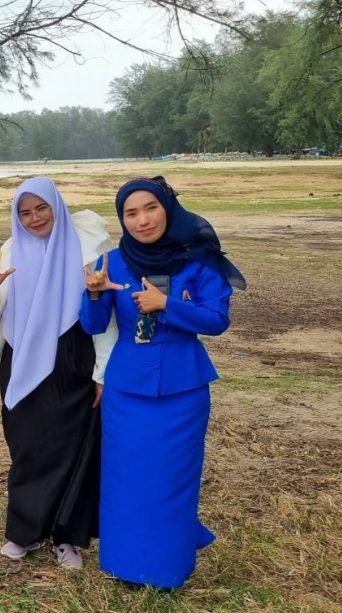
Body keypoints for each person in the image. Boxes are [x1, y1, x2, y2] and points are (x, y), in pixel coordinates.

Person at [79, 176, 244, 588]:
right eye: (131, 213)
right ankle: (124, 564)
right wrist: (94, 294)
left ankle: (168, 566)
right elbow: (94, 325)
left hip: (182, 390)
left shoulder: (199, 259)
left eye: (150, 208)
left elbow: (217, 320)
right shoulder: (112, 261)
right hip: (127, 390)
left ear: (167, 208)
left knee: (172, 479)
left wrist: (166, 305)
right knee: (125, 479)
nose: (142, 220)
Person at [0, 177, 117, 569]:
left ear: (57, 206)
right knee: (27, 447)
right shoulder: (8, 253)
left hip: (73, 356)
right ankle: (24, 531)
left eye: (41, 208)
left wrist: (102, 372)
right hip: (21, 356)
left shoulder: (86, 248)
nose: (34, 219)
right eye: (25, 212)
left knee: (73, 447)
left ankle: (67, 539)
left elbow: (105, 317)